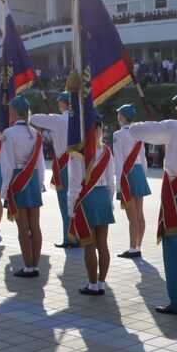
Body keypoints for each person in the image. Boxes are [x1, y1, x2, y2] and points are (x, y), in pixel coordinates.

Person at [122, 85, 177, 314]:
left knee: (174, 249)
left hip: (175, 192)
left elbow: (141, 131)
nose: (176, 106)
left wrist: (134, 126)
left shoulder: (175, 127)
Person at [64, 121, 118, 294]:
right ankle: (101, 283)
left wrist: (71, 207)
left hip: (86, 197)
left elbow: (74, 183)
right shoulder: (107, 151)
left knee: (89, 244)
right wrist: (109, 201)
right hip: (102, 195)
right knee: (103, 244)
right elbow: (111, 181)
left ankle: (93, 284)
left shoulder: (77, 152)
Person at [0, 95, 45, 276]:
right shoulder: (36, 134)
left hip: (17, 178)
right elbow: (40, 164)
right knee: (35, 226)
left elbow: (7, 163)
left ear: (13, 111)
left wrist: (5, 189)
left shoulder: (9, 133)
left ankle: (27, 267)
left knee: (23, 228)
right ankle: (36, 265)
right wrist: (39, 183)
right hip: (32, 178)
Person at [33, 92, 80, 251]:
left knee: (65, 202)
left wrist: (51, 116)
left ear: (64, 104)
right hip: (79, 163)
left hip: (64, 164)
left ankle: (69, 237)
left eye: (60, 102)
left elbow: (33, 119)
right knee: (78, 200)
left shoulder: (58, 119)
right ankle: (79, 234)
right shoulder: (79, 119)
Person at [112, 104, 150, 259]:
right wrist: (143, 176)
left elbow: (118, 161)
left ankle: (133, 249)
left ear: (121, 117)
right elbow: (144, 157)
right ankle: (138, 245)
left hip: (127, 174)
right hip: (139, 171)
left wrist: (119, 184)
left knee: (132, 216)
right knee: (140, 213)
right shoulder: (138, 134)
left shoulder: (117, 135)